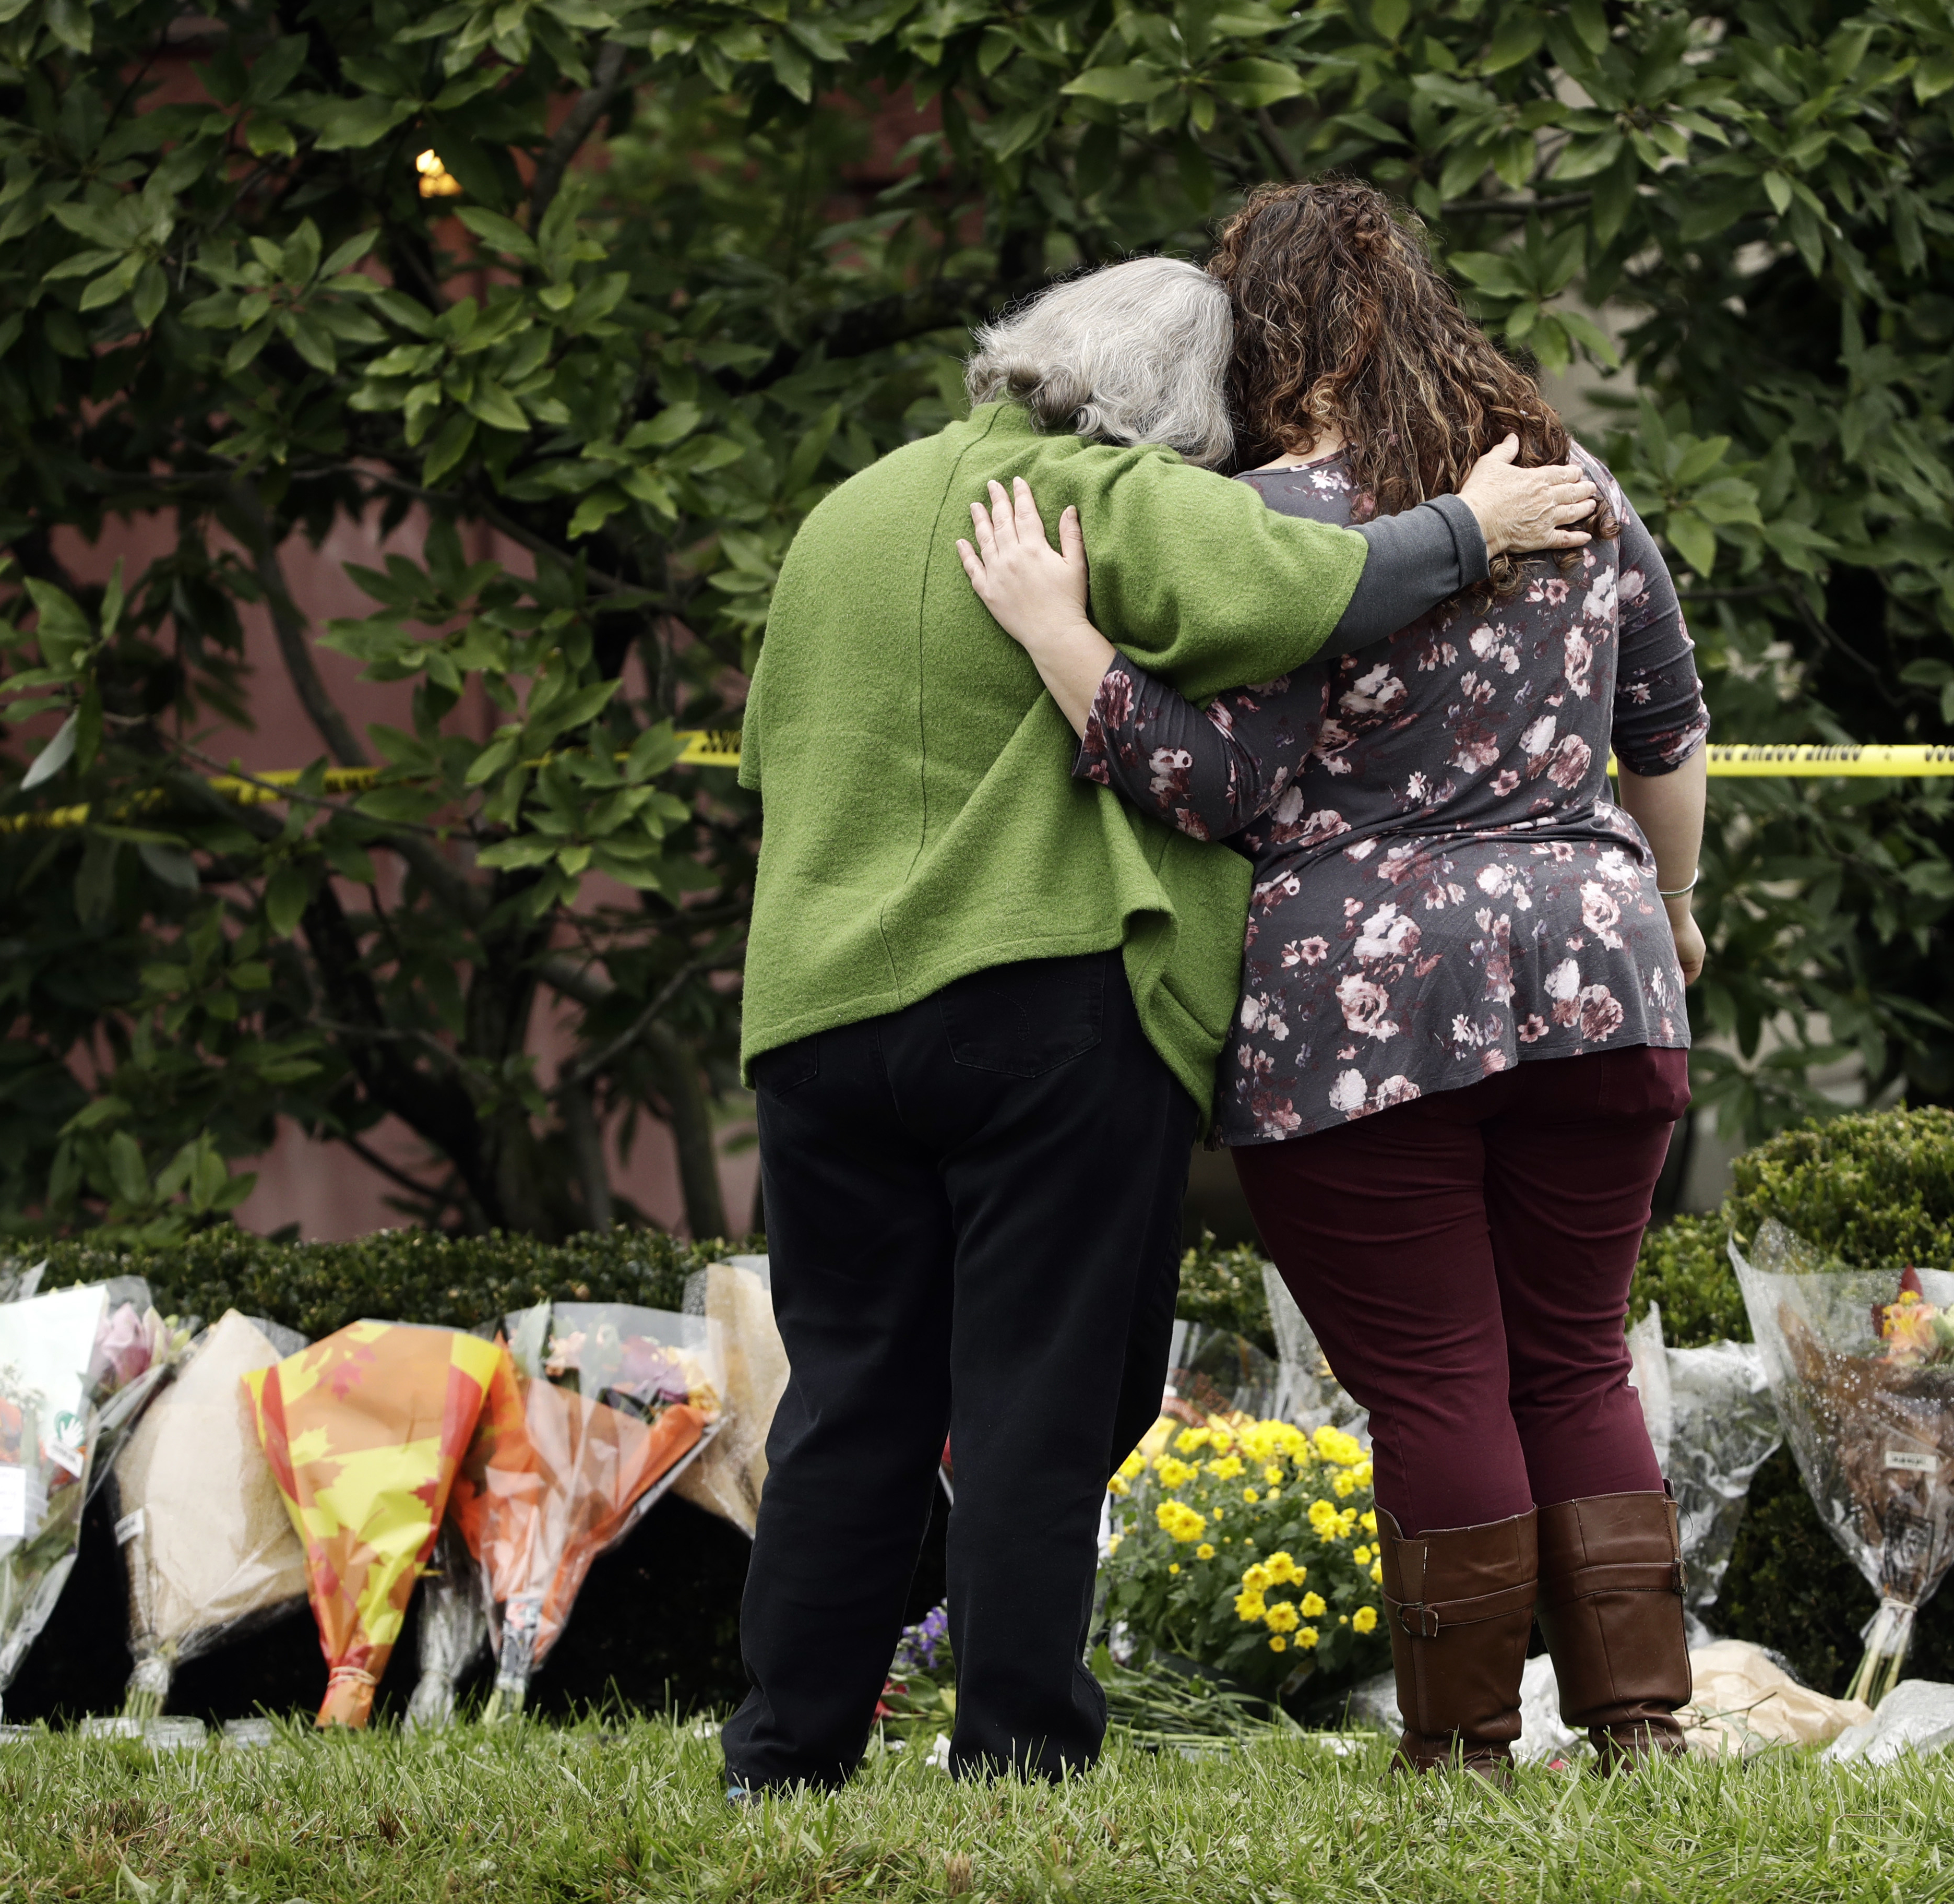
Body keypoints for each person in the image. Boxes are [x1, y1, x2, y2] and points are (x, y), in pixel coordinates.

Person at [723, 253, 1601, 1796]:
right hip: (1039, 1003)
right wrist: (1483, 523)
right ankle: (1013, 1752)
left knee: (852, 1391)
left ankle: (786, 1754)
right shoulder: (1116, 498)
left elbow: (765, 756)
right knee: (1039, 1398)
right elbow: (1319, 582)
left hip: (822, 1016)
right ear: (1178, 411)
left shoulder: (844, 517)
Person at [958, 181, 1712, 1781]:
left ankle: (1464, 1751)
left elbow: (1208, 779)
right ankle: (1640, 1723)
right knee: (1574, 1353)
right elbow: (1669, 720)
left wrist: (1055, 635)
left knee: (1439, 1373)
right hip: (1601, 966)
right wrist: (1678, 906)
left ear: (1268, 342)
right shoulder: (1570, 480)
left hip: (1366, 1013)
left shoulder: (1284, 524)